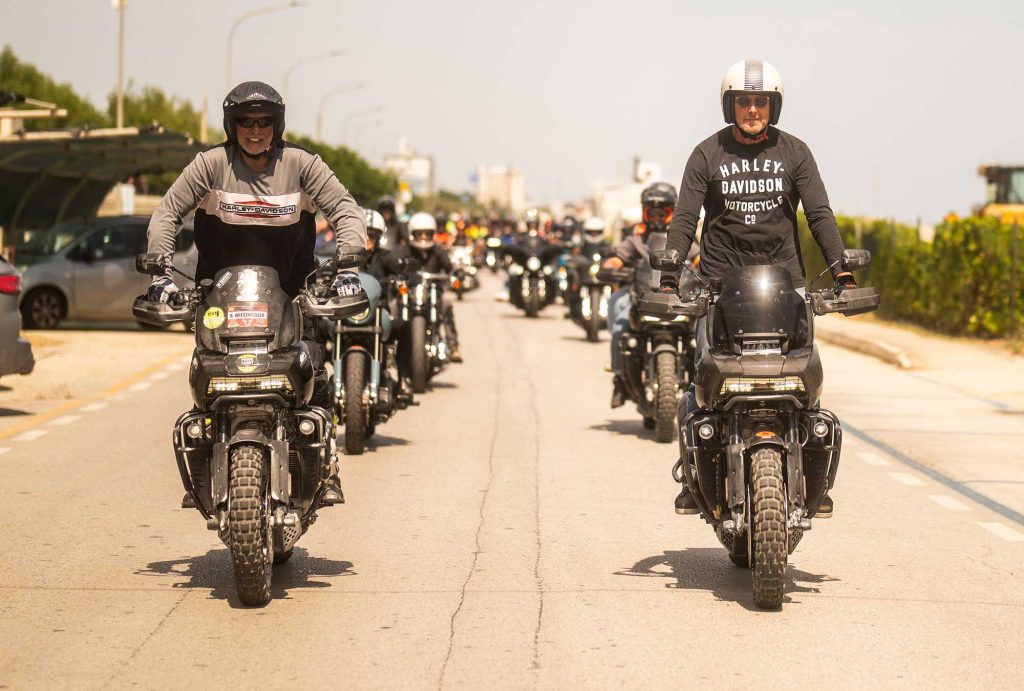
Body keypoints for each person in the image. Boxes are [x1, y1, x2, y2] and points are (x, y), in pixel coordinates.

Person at [145, 80, 367, 505]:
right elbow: (167, 212)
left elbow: (343, 207)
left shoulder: (301, 163)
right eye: (245, 121)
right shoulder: (210, 165)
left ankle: (325, 463)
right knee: (208, 378)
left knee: (314, 370)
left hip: (293, 296)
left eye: (264, 122)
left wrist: (349, 264)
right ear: (232, 126)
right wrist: (161, 273)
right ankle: (206, 463)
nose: (255, 130)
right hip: (220, 300)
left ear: (277, 125)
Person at [660, 59, 856, 515]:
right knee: (702, 380)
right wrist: (671, 273)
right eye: (745, 101)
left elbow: (819, 215)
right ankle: (694, 473)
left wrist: (841, 271)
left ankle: (812, 480)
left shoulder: (795, 152)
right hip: (718, 290)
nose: (753, 109)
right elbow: (686, 218)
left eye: (761, 101)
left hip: (783, 289)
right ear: (731, 106)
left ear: (774, 106)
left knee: (805, 383)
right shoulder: (707, 154)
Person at [602, 183, 688, 407]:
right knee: (620, 322)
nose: (658, 217)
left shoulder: (681, 238)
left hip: (676, 298)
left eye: (664, 212)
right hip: (639, 297)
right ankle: (620, 377)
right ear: (644, 212)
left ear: (673, 212)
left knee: (704, 330)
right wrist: (612, 265)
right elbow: (618, 257)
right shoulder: (635, 239)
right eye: (653, 212)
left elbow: (698, 258)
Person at [385, 212, 463, 363]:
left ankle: (453, 346)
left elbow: (449, 267)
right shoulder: (404, 251)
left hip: (433, 292)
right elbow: (393, 265)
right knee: (393, 306)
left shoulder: (438, 251)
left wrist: (455, 272)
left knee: (447, 305)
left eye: (427, 234)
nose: (423, 238)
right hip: (409, 292)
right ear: (412, 234)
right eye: (419, 234)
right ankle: (388, 347)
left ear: (432, 234)